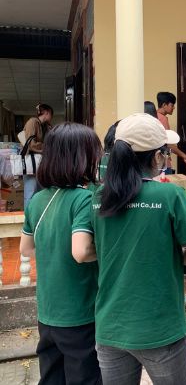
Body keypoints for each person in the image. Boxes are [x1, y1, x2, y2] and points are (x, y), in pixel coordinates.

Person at [74, 113, 186, 384]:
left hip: (110, 327)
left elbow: (85, 250)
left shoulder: (97, 197)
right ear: (157, 157)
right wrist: (160, 252)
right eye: (165, 153)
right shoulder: (170, 196)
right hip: (160, 328)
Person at [19, 123, 103, 385]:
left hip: (48, 312)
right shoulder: (84, 198)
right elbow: (81, 251)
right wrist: (109, 253)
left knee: (52, 377)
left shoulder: (38, 199)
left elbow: (25, 248)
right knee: (85, 378)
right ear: (84, 157)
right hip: (80, 313)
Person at [22, 103, 54, 205]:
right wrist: (47, 147)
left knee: (41, 192)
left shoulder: (44, 126)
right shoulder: (33, 122)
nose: (51, 118)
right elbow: (31, 144)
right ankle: (29, 218)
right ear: (47, 113)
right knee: (31, 192)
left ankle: (38, 216)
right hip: (31, 162)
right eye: (51, 115)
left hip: (39, 163)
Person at [155, 92, 186, 173]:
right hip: (163, 164)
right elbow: (168, 144)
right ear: (164, 105)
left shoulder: (154, 116)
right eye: (172, 105)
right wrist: (185, 157)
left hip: (155, 164)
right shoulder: (162, 119)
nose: (174, 107)